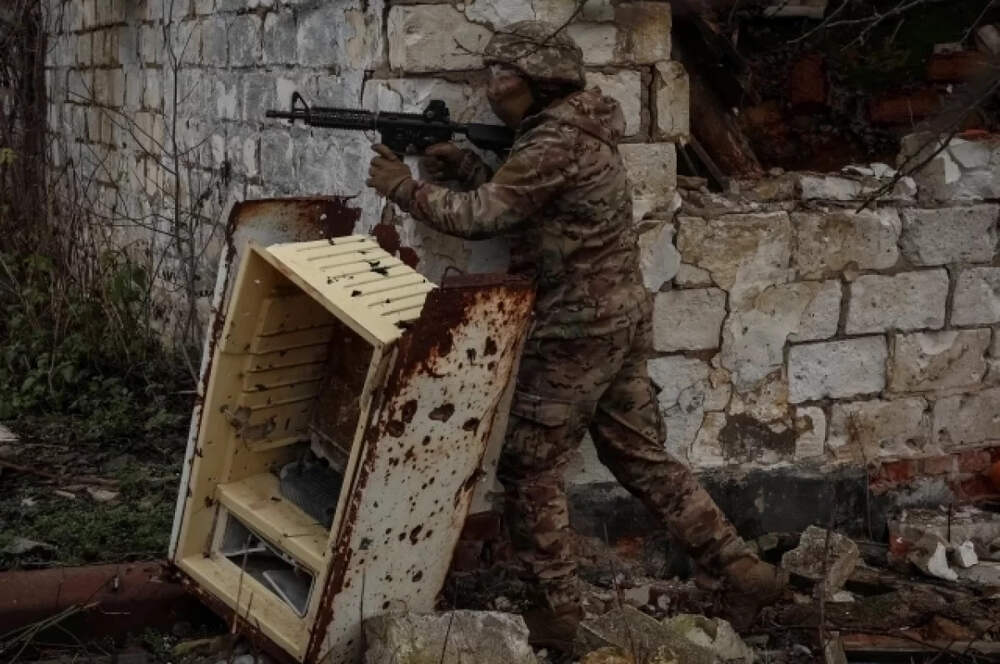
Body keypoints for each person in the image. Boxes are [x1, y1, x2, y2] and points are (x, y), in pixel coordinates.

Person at [366, 21, 787, 649]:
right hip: (615, 315)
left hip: (575, 327)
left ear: (537, 82)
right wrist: (467, 165)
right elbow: (532, 201)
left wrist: (403, 187)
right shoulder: (574, 128)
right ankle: (741, 569)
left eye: (501, 76)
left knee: (529, 466)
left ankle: (557, 611)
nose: (491, 88)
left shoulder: (553, 140)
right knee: (636, 452)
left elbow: (484, 217)